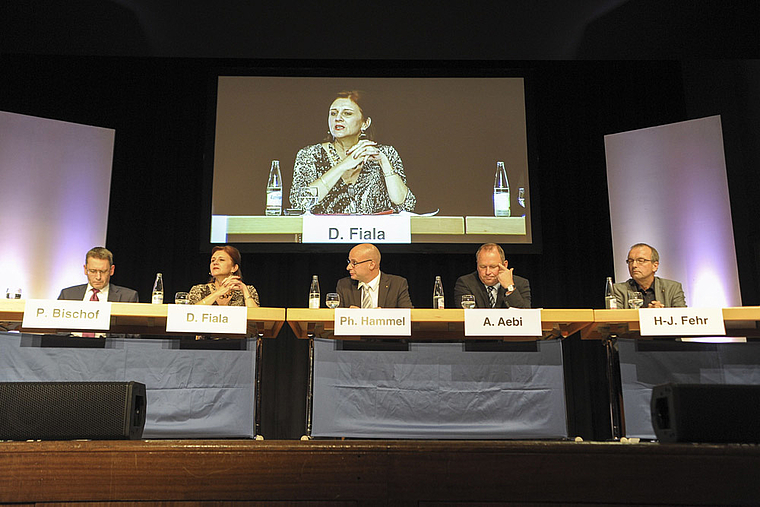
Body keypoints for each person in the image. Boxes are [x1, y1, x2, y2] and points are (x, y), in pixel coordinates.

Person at [289, 90, 416, 215]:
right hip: (325, 234)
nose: (338, 118)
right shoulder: (309, 155)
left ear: (365, 123)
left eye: (347, 114)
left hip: (373, 234)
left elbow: (406, 205)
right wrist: (343, 165)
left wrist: (384, 163)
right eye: (333, 113)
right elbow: (300, 204)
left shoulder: (386, 153)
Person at [453, 243, 531, 309]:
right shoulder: (465, 283)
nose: (488, 272)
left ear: (504, 265)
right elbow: (469, 317)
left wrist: (509, 287)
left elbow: (525, 316)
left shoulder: (521, 283)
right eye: (483, 267)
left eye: (493, 267)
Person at [336, 243, 413, 308]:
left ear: (372, 265)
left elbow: (408, 316)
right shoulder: (344, 285)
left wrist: (381, 316)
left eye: (354, 263)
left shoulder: (397, 284)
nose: (348, 267)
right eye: (349, 262)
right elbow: (335, 318)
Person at [613, 243, 686, 308]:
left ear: (655, 266)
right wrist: (647, 315)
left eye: (641, 261)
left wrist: (662, 314)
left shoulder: (672, 288)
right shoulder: (618, 290)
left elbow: (682, 317)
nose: (634, 265)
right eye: (630, 261)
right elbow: (615, 320)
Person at [58, 247, 139, 302]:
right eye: (93, 271)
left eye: (103, 271)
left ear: (111, 270)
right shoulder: (67, 295)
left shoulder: (128, 297)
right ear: (85, 269)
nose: (98, 277)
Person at [188, 245, 259, 307]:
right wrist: (218, 292)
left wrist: (244, 290)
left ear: (234, 268)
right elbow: (190, 313)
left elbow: (257, 317)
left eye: (221, 260)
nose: (215, 263)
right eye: (213, 260)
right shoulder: (198, 290)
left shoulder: (249, 290)